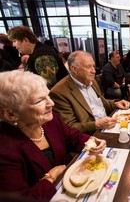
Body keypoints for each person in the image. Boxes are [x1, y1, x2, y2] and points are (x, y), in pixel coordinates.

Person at [0, 70, 106, 200]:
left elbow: (72, 136)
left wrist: (91, 140)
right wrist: (51, 177)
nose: (51, 104)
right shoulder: (4, 149)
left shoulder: (49, 120)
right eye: (40, 100)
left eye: (48, 96)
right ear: (10, 114)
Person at [50, 50, 130, 135]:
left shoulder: (92, 81)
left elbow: (100, 103)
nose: (94, 71)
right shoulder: (59, 92)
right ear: (74, 69)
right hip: (91, 135)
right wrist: (97, 125)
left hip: (109, 124)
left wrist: (115, 103)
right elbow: (69, 127)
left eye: (93, 66)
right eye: (88, 67)